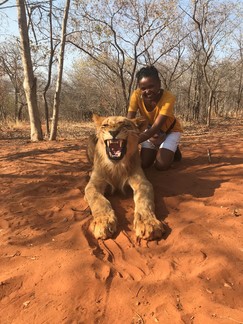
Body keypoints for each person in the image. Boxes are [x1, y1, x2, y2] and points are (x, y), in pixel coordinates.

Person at [127, 65, 183, 171]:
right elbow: (129, 121)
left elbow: (156, 127)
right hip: (150, 130)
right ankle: (165, 147)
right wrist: (124, 136)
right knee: (144, 164)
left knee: (161, 165)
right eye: (143, 88)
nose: (147, 91)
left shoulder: (168, 98)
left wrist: (130, 142)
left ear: (159, 84)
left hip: (169, 131)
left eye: (151, 86)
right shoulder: (136, 95)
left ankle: (172, 149)